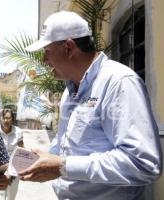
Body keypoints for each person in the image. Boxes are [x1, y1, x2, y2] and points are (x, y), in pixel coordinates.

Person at [19, 11, 162, 200]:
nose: (44, 61)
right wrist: (22, 166)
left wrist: (63, 166)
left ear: (69, 48)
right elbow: (66, 148)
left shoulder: (119, 82)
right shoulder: (69, 91)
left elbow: (143, 164)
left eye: (47, 52)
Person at [0, 108, 24, 200]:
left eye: (8, 118)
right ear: (0, 118)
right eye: (4, 118)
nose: (6, 120)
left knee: (11, 195)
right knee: (0, 195)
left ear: (13, 119)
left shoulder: (18, 132)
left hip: (14, 167)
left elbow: (22, 150)